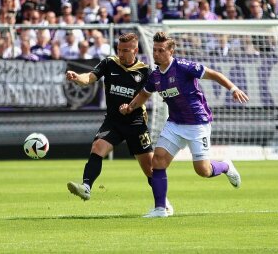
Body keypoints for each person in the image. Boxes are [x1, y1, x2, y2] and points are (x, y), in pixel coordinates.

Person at [120, 32, 249, 218]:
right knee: (158, 161)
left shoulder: (184, 67)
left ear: (171, 51)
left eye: (161, 50)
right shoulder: (155, 76)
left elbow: (214, 74)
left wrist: (233, 88)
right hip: (175, 124)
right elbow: (144, 95)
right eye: (155, 50)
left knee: (203, 171)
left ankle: (226, 167)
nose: (156, 54)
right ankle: (160, 209)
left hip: (197, 123)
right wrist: (130, 107)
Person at [65, 32, 173, 215]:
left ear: (135, 50)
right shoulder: (109, 63)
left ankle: (163, 204)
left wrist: (131, 107)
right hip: (113, 121)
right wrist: (78, 77)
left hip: (136, 123)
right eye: (119, 50)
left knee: (150, 169)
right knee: (97, 147)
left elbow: (151, 94)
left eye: (125, 50)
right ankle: (86, 187)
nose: (121, 54)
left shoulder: (145, 71)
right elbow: (90, 77)